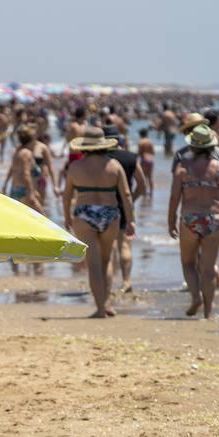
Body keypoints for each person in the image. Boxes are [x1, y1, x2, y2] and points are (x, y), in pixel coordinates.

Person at [63, 127, 135, 318]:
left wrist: (66, 217)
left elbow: (67, 195)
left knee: (92, 264)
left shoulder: (76, 167)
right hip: (110, 212)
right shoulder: (114, 165)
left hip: (84, 213)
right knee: (107, 260)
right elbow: (126, 194)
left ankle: (100, 308)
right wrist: (131, 220)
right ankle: (107, 303)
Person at [168, 125, 219, 320]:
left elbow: (174, 198)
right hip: (214, 219)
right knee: (208, 268)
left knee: (188, 262)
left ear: (193, 146)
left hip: (190, 218)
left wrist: (171, 221)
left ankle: (196, 296)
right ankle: (208, 312)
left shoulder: (183, 168)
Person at [103, 124, 146, 294]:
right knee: (125, 245)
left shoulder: (101, 158)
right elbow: (142, 185)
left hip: (105, 203)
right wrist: (131, 200)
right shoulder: (130, 157)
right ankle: (126, 281)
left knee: (110, 245)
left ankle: (109, 283)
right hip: (124, 203)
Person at [3, 127, 43, 213]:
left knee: (19, 218)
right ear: (31, 140)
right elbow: (26, 174)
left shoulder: (18, 151)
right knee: (42, 218)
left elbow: (12, 169)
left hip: (15, 188)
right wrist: (32, 192)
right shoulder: (26, 153)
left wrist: (5, 184)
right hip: (25, 190)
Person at [137, 127, 155, 197]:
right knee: (150, 177)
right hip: (150, 160)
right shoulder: (150, 141)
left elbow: (139, 153)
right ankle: (151, 193)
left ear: (140, 134)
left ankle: (144, 192)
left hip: (144, 160)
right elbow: (153, 152)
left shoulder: (141, 142)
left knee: (143, 177)